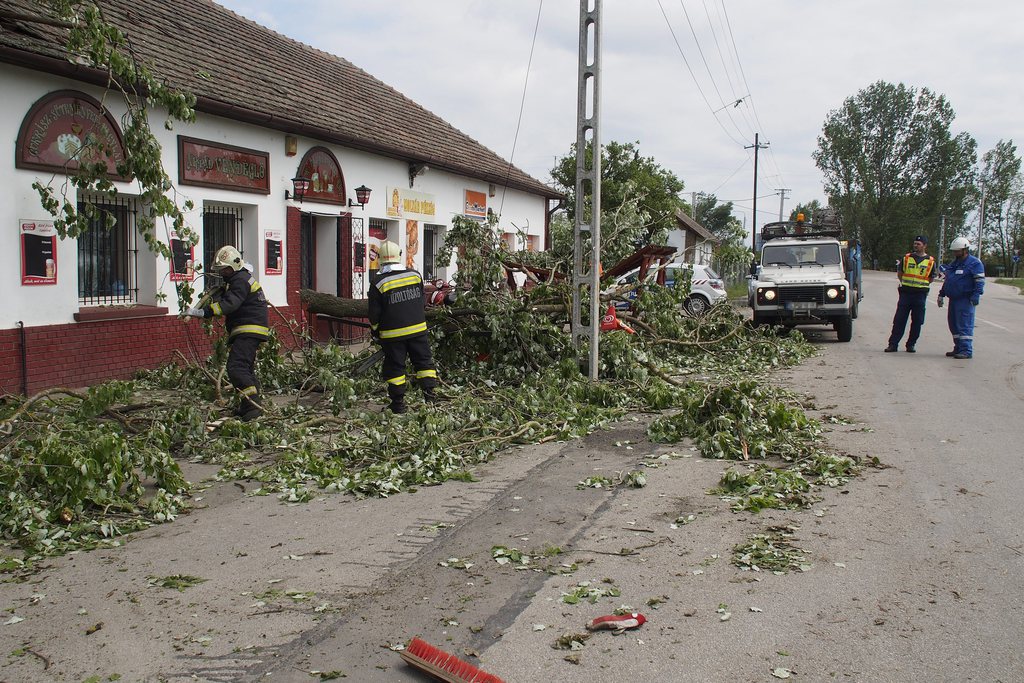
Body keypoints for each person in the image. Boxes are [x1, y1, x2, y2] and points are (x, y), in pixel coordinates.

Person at [184, 245, 270, 420]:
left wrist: (202, 312)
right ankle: (250, 406)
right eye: (221, 270)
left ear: (234, 266)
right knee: (245, 368)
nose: (222, 273)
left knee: (236, 367)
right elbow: (232, 298)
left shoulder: (239, 281)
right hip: (251, 329)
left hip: (248, 329)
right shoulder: (240, 279)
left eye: (225, 270)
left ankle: (252, 408)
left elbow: (230, 304)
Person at [368, 240, 439, 414]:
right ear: (399, 256)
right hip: (418, 330)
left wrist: (375, 331)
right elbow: (421, 302)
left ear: (380, 259)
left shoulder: (378, 282)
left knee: (395, 369)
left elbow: (374, 314)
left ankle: (398, 404)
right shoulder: (415, 275)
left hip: (393, 335)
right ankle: (430, 398)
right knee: (424, 363)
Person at [884, 235, 937, 353]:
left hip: (920, 295)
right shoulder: (907, 258)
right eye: (915, 243)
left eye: (918, 244)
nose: (916, 246)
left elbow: (931, 278)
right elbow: (900, 273)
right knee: (899, 320)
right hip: (906, 294)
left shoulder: (931, 261)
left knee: (917, 321)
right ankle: (893, 344)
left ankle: (911, 344)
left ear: (924, 246)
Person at [938, 236, 985, 359]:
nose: (955, 253)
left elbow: (979, 281)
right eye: (954, 251)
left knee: (964, 325)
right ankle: (958, 347)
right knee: (953, 324)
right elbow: (948, 280)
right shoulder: (954, 263)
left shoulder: (974, 263)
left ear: (965, 250)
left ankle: (966, 350)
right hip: (953, 299)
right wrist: (942, 293)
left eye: (957, 251)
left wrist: (976, 295)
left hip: (965, 299)